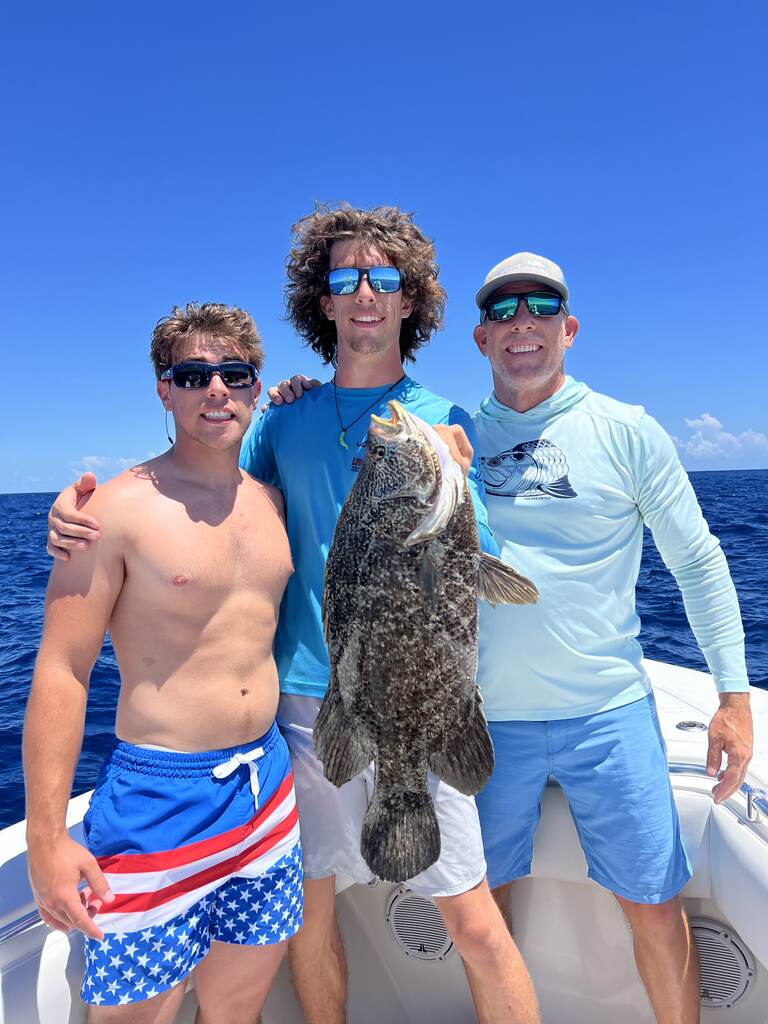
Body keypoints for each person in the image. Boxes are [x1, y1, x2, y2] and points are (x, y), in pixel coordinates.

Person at [46, 205, 541, 1024]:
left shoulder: (447, 419)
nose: (366, 295)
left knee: (476, 923)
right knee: (310, 919)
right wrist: (80, 507)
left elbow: (473, 559)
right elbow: (202, 486)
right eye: (347, 279)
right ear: (325, 300)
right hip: (305, 711)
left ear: (411, 300)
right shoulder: (282, 418)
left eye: (385, 279)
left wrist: (459, 481)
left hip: (421, 697)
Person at [469, 252, 753, 1024]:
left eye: (541, 306)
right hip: (484, 724)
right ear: (480, 339)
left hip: (609, 713)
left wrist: (733, 695)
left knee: (656, 907)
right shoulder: (452, 438)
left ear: (570, 328)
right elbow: (349, 455)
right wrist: (296, 395)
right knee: (478, 917)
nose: (521, 321)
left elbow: (696, 561)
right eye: (502, 310)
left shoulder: (627, 430)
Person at [25, 303, 303, 1022]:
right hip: (158, 802)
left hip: (267, 790)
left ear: (254, 386)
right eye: (193, 375)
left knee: (239, 1005)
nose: (216, 391)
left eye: (234, 374)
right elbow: (61, 670)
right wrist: (46, 839)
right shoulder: (111, 513)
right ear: (164, 390)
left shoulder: (272, 501)